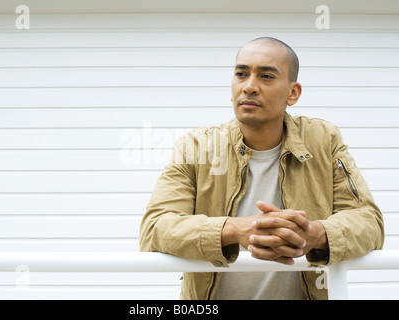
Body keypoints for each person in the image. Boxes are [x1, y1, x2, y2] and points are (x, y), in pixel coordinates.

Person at [139, 37, 384, 300]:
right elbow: (155, 228)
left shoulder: (324, 140)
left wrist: (315, 234)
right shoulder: (197, 146)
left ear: (293, 93)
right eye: (241, 74)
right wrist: (235, 229)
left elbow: (369, 222)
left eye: (266, 76)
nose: (249, 87)